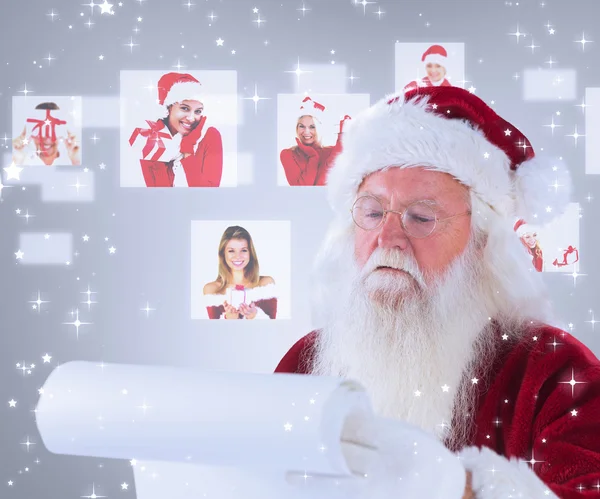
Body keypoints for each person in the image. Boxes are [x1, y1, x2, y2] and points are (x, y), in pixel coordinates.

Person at [275, 86, 600, 498]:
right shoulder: (304, 364)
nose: (387, 237)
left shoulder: (557, 374)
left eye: (422, 217)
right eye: (372, 213)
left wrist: (458, 487)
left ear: (482, 243)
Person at [129, 72, 223, 188]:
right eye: (184, 108)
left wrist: (188, 150)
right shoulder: (151, 139)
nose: (191, 118)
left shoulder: (210, 136)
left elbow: (209, 192)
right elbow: (159, 193)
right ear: (168, 108)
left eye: (198, 111)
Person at [203, 226, 277, 319]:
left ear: (250, 253)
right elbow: (211, 332)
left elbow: (274, 329)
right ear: (223, 254)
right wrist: (229, 319)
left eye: (243, 250)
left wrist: (255, 316)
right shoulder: (212, 290)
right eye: (231, 251)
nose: (238, 256)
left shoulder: (265, 284)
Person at [280, 96, 350, 186]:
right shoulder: (288, 154)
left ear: (319, 128)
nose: (306, 132)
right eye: (301, 126)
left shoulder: (332, 152)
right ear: (296, 128)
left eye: (312, 127)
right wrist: (313, 157)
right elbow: (303, 190)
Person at [12, 102, 80, 166]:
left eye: (53, 129)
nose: (47, 138)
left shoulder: (73, 159)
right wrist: (16, 160)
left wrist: (76, 159)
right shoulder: (21, 159)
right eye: (39, 128)